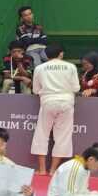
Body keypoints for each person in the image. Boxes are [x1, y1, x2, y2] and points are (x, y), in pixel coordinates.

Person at [30, 42, 79, 177]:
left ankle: (42, 170)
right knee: (63, 136)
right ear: (61, 54)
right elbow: (76, 88)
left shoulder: (39, 68)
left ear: (46, 55)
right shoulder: (71, 67)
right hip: (66, 101)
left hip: (48, 101)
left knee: (41, 134)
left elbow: (35, 90)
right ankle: (53, 170)